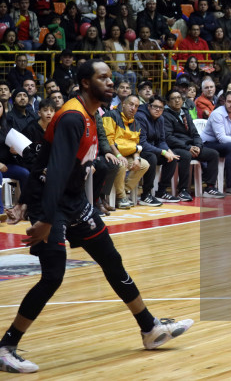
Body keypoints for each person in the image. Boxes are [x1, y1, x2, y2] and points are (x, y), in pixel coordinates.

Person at [0, 60, 192, 374]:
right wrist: (44, 216)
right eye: (103, 77)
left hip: (73, 201)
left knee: (111, 259)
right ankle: (6, 346)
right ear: (85, 83)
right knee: (53, 276)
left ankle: (150, 329)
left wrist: (23, 201)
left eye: (110, 77)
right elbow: (57, 170)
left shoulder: (92, 115)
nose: (111, 82)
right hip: (54, 205)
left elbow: (43, 161)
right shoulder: (73, 117)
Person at [163, 88, 225, 199]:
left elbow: (195, 133)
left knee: (213, 154)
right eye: (173, 99)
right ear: (168, 102)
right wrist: (188, 147)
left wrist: (198, 146)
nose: (177, 101)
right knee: (186, 156)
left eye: (179, 98)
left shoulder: (185, 112)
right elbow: (169, 138)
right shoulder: (166, 115)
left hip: (191, 146)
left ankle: (210, 187)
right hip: (175, 147)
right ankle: (183, 190)